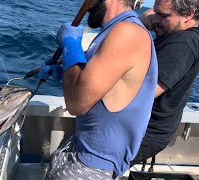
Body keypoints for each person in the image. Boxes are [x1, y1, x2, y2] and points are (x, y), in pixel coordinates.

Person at [39, 0, 158, 179]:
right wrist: (64, 72)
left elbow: (77, 103)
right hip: (80, 149)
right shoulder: (113, 30)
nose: (86, 4)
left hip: (93, 166)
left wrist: (70, 44)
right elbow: (97, 83)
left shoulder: (128, 32)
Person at [130, 0, 199, 166]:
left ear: (188, 14)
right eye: (156, 12)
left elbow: (143, 93)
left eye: (163, 16)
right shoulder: (177, 30)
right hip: (140, 126)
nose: (156, 19)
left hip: (145, 132)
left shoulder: (182, 45)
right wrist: (146, 20)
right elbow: (150, 15)